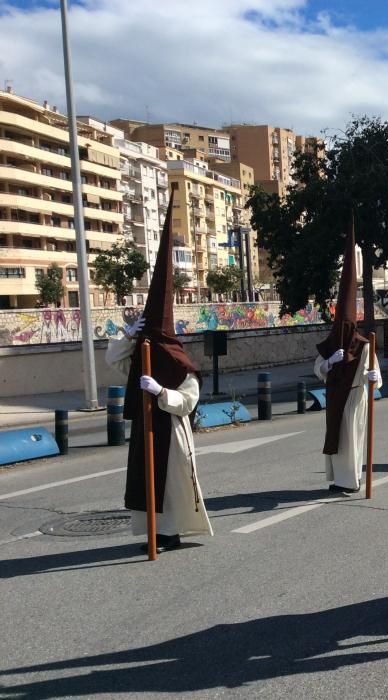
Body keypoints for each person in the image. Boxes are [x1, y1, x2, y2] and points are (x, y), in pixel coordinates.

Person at [106, 190, 212, 553]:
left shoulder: (175, 357)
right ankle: (155, 531)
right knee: (146, 481)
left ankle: (172, 533)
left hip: (171, 427)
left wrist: (160, 392)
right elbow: (115, 363)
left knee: (170, 483)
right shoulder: (142, 350)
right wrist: (127, 337)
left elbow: (189, 399)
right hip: (146, 428)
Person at [315, 217, 382, 494]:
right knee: (337, 439)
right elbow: (317, 367)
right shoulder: (332, 342)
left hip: (355, 397)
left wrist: (373, 377)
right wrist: (329, 362)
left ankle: (351, 481)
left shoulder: (364, 344)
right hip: (335, 396)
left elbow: (374, 376)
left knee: (352, 439)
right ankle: (338, 479)